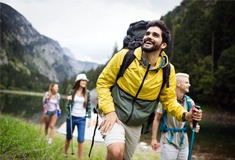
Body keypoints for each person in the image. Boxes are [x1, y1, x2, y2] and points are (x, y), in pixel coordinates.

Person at [96, 20, 202, 160]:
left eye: (155, 35)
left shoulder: (167, 70)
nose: (149, 36)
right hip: (115, 115)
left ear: (163, 45)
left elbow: (169, 101)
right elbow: (103, 82)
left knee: (122, 158)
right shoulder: (125, 56)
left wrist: (186, 115)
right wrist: (109, 111)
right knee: (116, 152)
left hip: (135, 124)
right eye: (147, 33)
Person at [151, 73, 200, 160]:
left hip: (183, 141)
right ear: (178, 84)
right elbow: (157, 119)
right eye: (186, 82)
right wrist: (154, 139)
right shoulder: (166, 101)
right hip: (168, 140)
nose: (189, 84)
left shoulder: (190, 102)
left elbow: (191, 122)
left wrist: (194, 126)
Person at [64, 73, 91, 160]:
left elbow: (89, 106)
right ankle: (65, 153)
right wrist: (68, 102)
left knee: (81, 139)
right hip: (71, 118)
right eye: (83, 80)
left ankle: (80, 158)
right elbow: (67, 106)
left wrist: (89, 118)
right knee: (68, 137)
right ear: (78, 81)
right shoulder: (71, 92)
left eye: (85, 81)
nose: (84, 82)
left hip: (81, 119)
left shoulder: (87, 93)